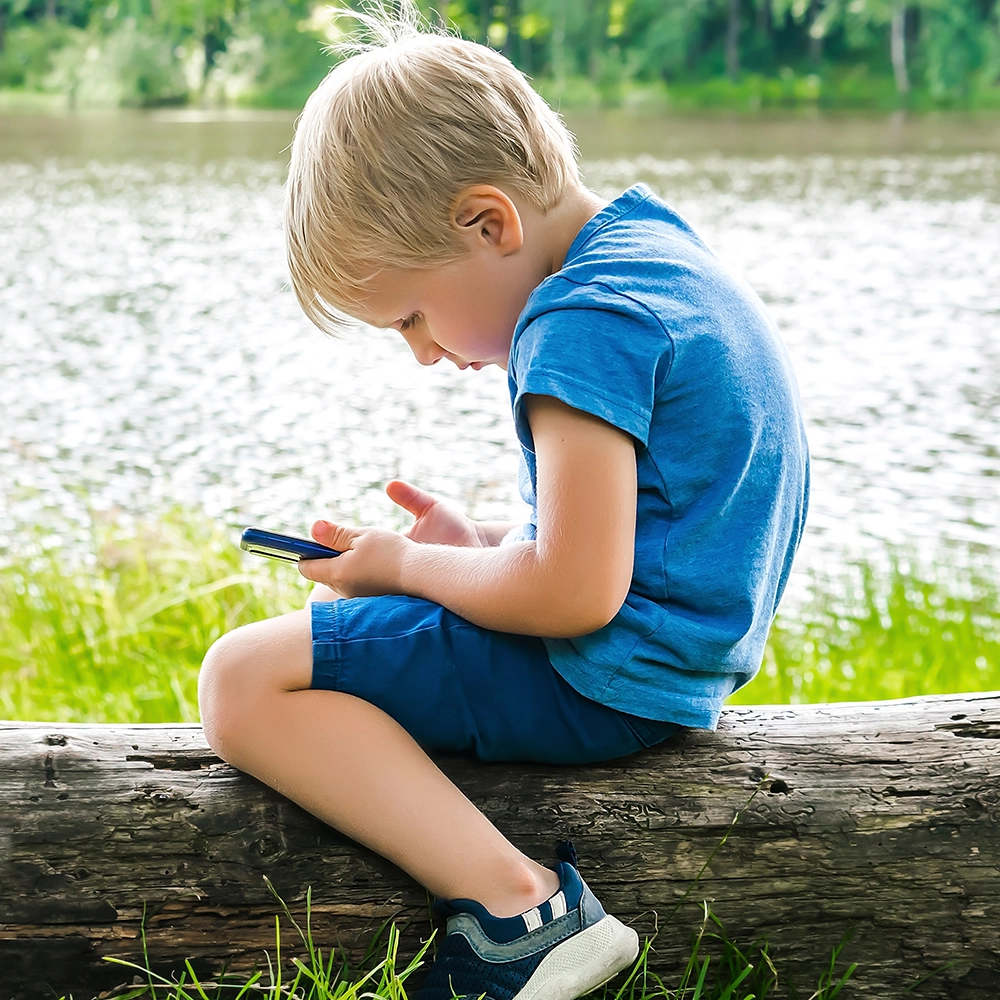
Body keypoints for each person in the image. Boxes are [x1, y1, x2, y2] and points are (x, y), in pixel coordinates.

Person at [197, 7, 809, 1000]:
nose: (425, 353)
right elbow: (638, 540)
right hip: (671, 665)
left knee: (242, 679)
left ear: (489, 222)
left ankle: (519, 914)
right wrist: (477, 546)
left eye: (410, 315)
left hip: (605, 681)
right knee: (344, 623)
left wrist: (403, 563)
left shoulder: (575, 326)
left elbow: (572, 594)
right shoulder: (654, 256)